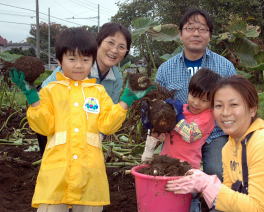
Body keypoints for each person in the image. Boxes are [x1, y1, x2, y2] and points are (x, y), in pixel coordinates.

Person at [9, 28, 151, 212]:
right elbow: (44, 127)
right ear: (59, 61)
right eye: (72, 59)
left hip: (89, 174)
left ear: (92, 61)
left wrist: (125, 101)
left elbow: (107, 126)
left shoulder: (98, 92)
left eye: (85, 60)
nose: (78, 65)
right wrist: (33, 99)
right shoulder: (51, 90)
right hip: (56, 174)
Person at [166, 75, 264, 212]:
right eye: (219, 105)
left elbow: (260, 208)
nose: (225, 112)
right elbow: (230, 200)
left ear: (252, 109)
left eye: (233, 105)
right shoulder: (229, 148)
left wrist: (208, 184)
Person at [156, 8, 236, 182]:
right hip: (178, 135)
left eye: (202, 29)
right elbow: (159, 105)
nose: (196, 33)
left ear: (210, 35)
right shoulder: (165, 69)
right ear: (180, 34)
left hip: (215, 133)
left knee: (217, 171)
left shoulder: (226, 67)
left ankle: (216, 205)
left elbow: (236, 102)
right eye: (190, 28)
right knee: (172, 173)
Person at [37, 22, 132, 155]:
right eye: (110, 43)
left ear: (126, 52)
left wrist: (99, 136)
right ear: (98, 43)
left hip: (86, 126)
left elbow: (109, 111)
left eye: (121, 47)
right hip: (56, 120)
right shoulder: (78, 66)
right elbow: (45, 95)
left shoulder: (117, 77)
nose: (114, 50)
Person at [142, 68, 221, 170]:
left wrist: (174, 116)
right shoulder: (180, 109)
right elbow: (160, 133)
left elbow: (190, 135)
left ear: (213, 102)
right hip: (165, 162)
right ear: (188, 92)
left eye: (204, 100)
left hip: (186, 168)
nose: (196, 103)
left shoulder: (207, 117)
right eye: (193, 96)